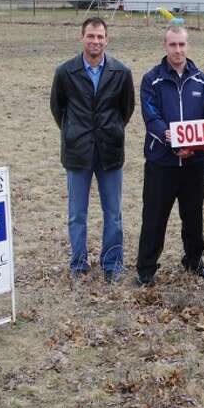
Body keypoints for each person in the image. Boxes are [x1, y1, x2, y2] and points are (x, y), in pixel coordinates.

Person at [49, 16, 135, 282]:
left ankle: (112, 264)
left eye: (100, 37)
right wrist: (75, 131)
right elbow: (58, 109)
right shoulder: (65, 72)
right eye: (90, 36)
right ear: (82, 38)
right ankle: (78, 263)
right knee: (77, 214)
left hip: (110, 151)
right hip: (78, 152)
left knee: (113, 213)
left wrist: (111, 130)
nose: (95, 41)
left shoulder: (121, 72)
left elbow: (126, 109)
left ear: (106, 40)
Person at [135, 25, 204, 287]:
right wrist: (171, 140)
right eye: (173, 45)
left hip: (194, 163)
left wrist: (195, 145)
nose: (178, 50)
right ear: (165, 46)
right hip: (162, 162)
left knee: (193, 215)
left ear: (188, 45)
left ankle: (194, 261)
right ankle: (146, 269)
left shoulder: (203, 81)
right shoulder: (152, 79)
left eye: (182, 44)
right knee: (154, 216)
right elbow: (152, 118)